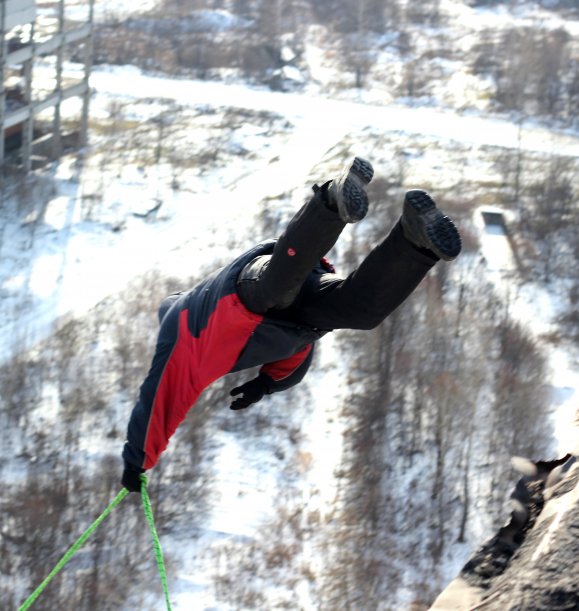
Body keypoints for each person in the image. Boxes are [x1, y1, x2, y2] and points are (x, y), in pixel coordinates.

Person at [120, 155, 462, 493]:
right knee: (361, 312)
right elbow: (296, 355)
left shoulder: (179, 338)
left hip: (247, 290)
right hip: (291, 316)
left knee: (275, 289)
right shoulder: (195, 331)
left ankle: (331, 200)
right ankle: (415, 239)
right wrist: (266, 384)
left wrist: (136, 463)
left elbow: (155, 405)